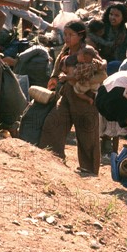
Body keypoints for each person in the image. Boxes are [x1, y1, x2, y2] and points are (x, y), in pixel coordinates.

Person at [40, 21, 100, 175]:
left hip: (85, 96)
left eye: (70, 35)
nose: (66, 37)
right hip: (67, 94)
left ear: (80, 35)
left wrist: (75, 75)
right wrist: (54, 77)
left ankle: (89, 170)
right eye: (65, 34)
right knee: (53, 123)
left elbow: (99, 67)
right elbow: (58, 64)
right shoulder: (66, 50)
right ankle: (53, 159)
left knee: (87, 134)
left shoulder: (88, 51)